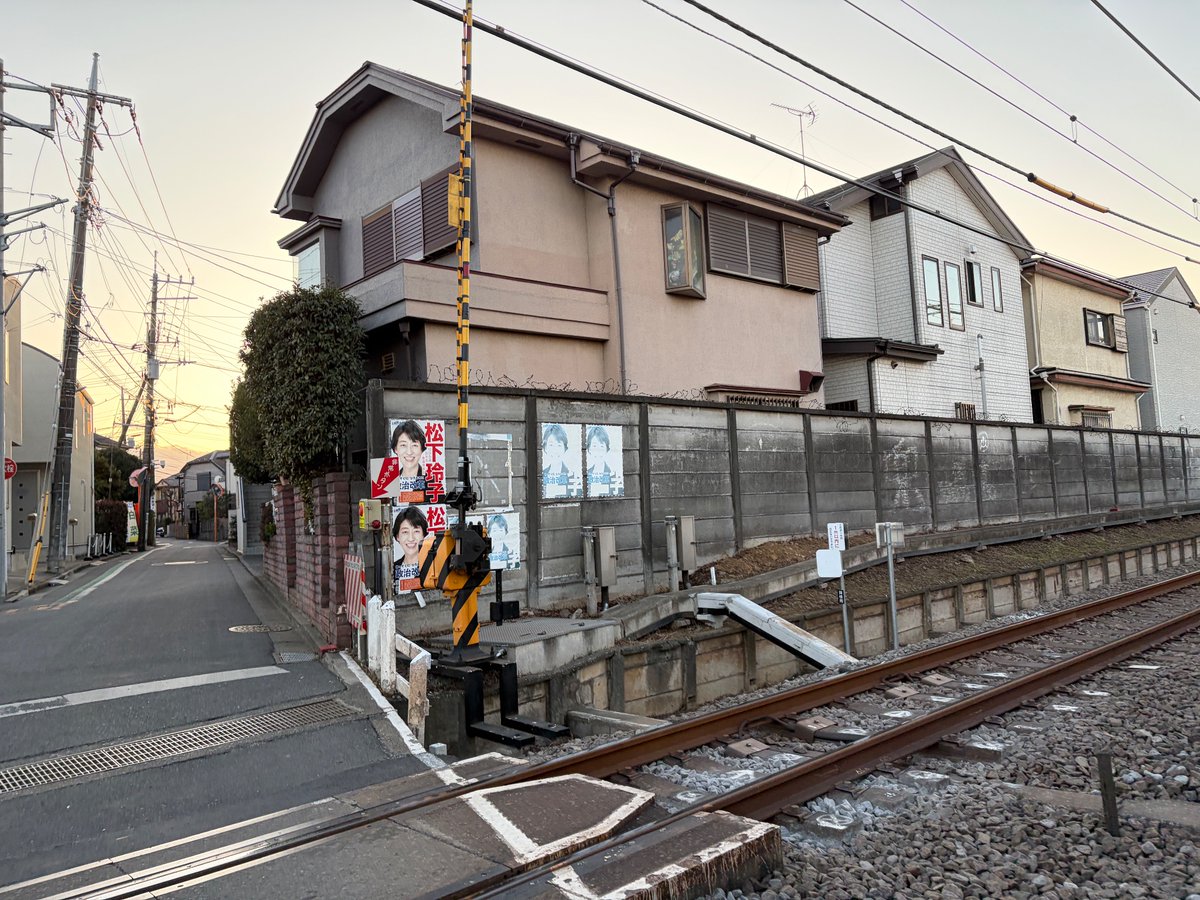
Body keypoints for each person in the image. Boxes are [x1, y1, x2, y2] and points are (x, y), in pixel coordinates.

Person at [393, 505, 428, 592]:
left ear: (423, 535)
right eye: (405, 532)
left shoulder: (431, 567)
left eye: (416, 531)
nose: (411, 538)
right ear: (397, 536)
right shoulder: (392, 568)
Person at [390, 419, 427, 501]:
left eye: (414, 445)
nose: (409, 452)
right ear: (396, 449)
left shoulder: (432, 483)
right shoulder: (388, 481)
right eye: (403, 445)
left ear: (422, 449)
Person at [541, 423, 580, 499]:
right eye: (551, 445)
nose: (555, 450)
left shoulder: (573, 477)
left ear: (565, 448)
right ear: (545, 448)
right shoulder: (541, 475)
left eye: (559, 445)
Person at [586, 425, 617, 497]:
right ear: (589, 449)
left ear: (607, 449)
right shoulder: (587, 473)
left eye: (601, 446)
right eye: (594, 446)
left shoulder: (612, 474)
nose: (598, 451)